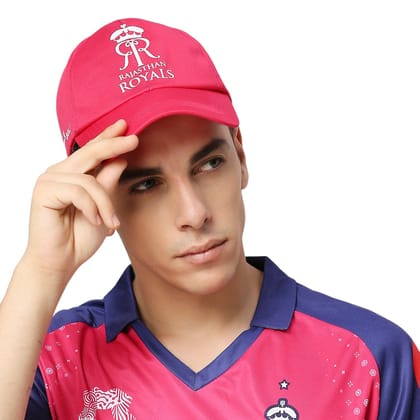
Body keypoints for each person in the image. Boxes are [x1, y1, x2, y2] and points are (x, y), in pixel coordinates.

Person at [0, 16, 418, 419]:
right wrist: (42, 270)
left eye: (210, 164)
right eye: (146, 184)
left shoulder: (369, 361)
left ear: (240, 153)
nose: (194, 213)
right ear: (95, 195)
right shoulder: (48, 362)